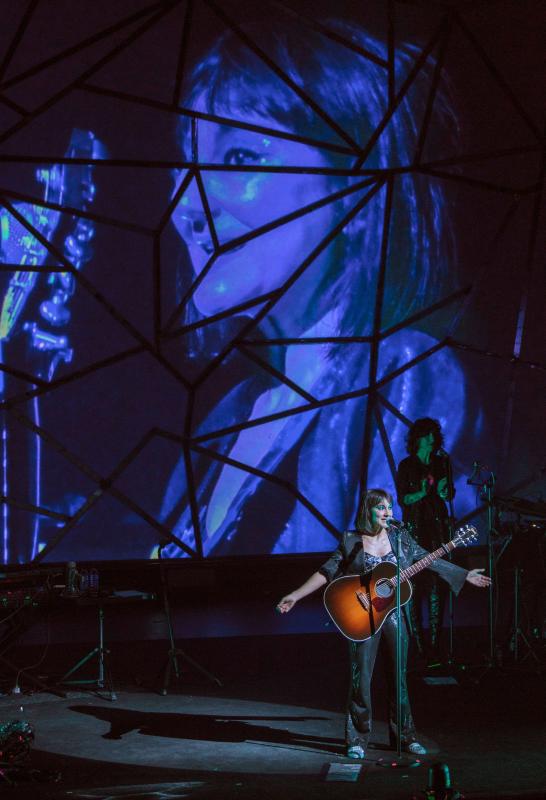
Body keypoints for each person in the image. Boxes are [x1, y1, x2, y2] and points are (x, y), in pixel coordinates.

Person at [160, 15, 469, 559]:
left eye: (238, 158)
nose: (187, 204)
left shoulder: (404, 381)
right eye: (183, 164)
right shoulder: (223, 423)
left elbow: (390, 605)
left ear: (354, 192)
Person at [276, 488, 491, 759]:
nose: (387, 512)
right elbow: (326, 571)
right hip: (360, 616)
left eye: (389, 507)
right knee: (361, 679)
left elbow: (428, 560)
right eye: (380, 507)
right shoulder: (351, 540)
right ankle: (357, 738)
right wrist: (295, 595)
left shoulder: (400, 538)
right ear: (369, 511)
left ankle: (405, 736)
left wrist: (464, 574)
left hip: (393, 616)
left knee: (399, 679)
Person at [396, 417, 454, 663]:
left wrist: (444, 490)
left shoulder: (442, 462)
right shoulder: (407, 465)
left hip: (437, 529)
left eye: (435, 434)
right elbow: (403, 500)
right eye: (428, 434)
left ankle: (434, 645)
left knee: (437, 585)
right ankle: (418, 646)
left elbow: (448, 494)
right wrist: (422, 491)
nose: (433, 438)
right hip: (415, 530)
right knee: (413, 586)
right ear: (418, 437)